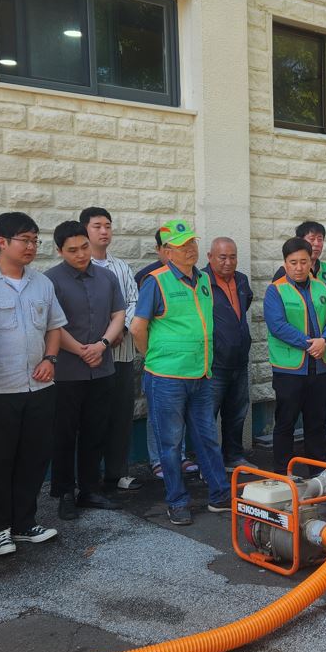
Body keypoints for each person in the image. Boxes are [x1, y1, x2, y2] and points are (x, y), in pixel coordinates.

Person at [0, 212, 65, 557]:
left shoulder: (42, 283)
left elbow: (54, 326)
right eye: (25, 239)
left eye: (35, 240)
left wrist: (50, 360)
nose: (32, 246)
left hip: (39, 387)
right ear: (1, 242)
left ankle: (25, 522)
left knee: (35, 457)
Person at [130, 219, 232, 525]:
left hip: (200, 375)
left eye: (192, 242)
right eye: (181, 246)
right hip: (166, 379)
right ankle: (177, 501)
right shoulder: (156, 281)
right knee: (170, 444)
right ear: (165, 252)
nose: (190, 249)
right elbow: (137, 327)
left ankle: (219, 495)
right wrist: (151, 355)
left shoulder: (202, 280)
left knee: (207, 438)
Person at [44, 220, 125, 520]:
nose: (80, 254)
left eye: (84, 247)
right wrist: (81, 349)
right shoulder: (49, 280)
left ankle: (90, 489)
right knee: (64, 434)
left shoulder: (106, 277)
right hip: (66, 371)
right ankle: (64, 491)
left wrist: (101, 345)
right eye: (72, 250)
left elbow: (118, 313)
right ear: (59, 250)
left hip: (102, 368)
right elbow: (52, 324)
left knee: (95, 431)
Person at [264, 237, 326, 474]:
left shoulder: (322, 287)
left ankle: (317, 472)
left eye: (303, 262)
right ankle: (282, 473)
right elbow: (277, 325)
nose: (299, 267)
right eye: (293, 262)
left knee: (316, 422)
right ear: (285, 263)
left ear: (310, 262)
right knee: (286, 422)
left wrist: (325, 340)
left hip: (321, 367)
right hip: (289, 370)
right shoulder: (275, 290)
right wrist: (310, 344)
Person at [81, 207, 142, 493]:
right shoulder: (79, 267)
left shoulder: (121, 267)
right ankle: (88, 478)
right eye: (97, 226)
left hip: (121, 353)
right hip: (91, 357)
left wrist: (121, 331)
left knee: (120, 414)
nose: (104, 231)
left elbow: (134, 302)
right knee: (93, 417)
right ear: (85, 230)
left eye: (108, 225)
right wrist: (105, 336)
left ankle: (117, 472)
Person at [203, 236, 254, 471]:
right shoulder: (201, 282)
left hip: (239, 361)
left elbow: (245, 306)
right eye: (222, 257)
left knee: (236, 414)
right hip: (214, 363)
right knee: (207, 419)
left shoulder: (242, 281)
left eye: (232, 257)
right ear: (210, 257)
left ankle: (233, 457)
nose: (228, 262)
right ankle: (209, 465)